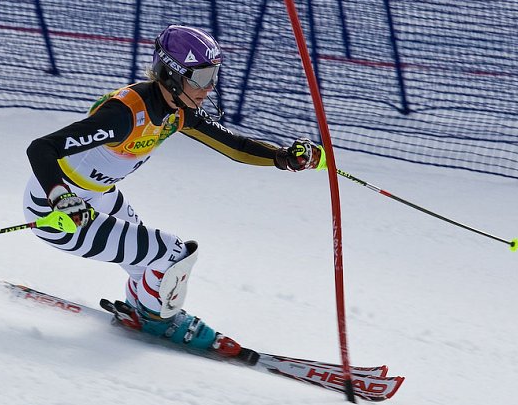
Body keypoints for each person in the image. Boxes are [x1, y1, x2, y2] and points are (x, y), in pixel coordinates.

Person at [24, 24, 323, 362]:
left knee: (148, 264)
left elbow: (236, 147)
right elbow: (42, 148)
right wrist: (62, 196)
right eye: (200, 77)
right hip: (56, 213)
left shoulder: (178, 111)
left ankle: (143, 310)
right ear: (170, 74)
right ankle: (159, 321)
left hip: (98, 196)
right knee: (172, 254)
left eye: (213, 76)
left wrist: (282, 158)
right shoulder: (124, 116)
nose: (208, 88)